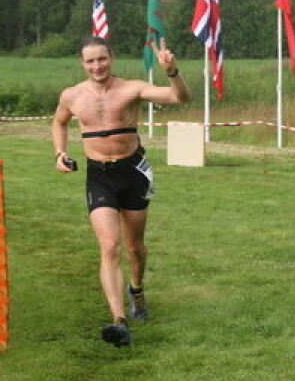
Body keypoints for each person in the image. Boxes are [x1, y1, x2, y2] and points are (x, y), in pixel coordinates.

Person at [52, 35, 191, 347]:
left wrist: (172, 71)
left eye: (102, 59)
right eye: (90, 61)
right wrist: (59, 153)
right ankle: (119, 320)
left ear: (111, 58)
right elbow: (58, 122)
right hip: (98, 176)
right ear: (82, 63)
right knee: (110, 246)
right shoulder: (72, 95)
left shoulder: (131, 88)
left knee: (134, 247)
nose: (97, 66)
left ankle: (137, 290)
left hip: (132, 173)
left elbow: (180, 97)